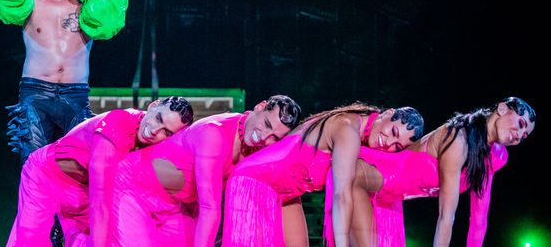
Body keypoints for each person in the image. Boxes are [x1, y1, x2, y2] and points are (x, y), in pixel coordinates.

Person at [0, 0, 129, 164]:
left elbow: (109, 22)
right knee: (33, 164)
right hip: (35, 92)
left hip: (75, 94)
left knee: (77, 166)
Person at [328, 96, 536, 247]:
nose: (518, 136)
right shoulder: (459, 138)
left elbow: (479, 218)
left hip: (398, 191)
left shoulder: (495, 156)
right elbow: (446, 216)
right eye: (520, 124)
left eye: (524, 136)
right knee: (347, 171)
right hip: (388, 173)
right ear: (501, 108)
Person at [221, 102, 424, 247]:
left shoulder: (363, 134)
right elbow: (341, 196)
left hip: (285, 192)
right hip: (254, 180)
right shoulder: (347, 128)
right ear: (386, 114)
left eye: (397, 146)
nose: (388, 143)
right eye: (393, 132)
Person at [110, 94, 303, 247]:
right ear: (260, 107)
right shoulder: (214, 133)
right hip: (130, 188)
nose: (264, 137)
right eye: (267, 125)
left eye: (275, 137)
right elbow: (209, 208)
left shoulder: (257, 149)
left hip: (173, 207)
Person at [5, 96, 195, 247]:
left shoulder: (156, 149)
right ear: (153, 106)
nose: (155, 130)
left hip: (82, 193)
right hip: (45, 177)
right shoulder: (118, 122)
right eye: (158, 119)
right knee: (29, 241)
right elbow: (101, 195)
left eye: (166, 132)